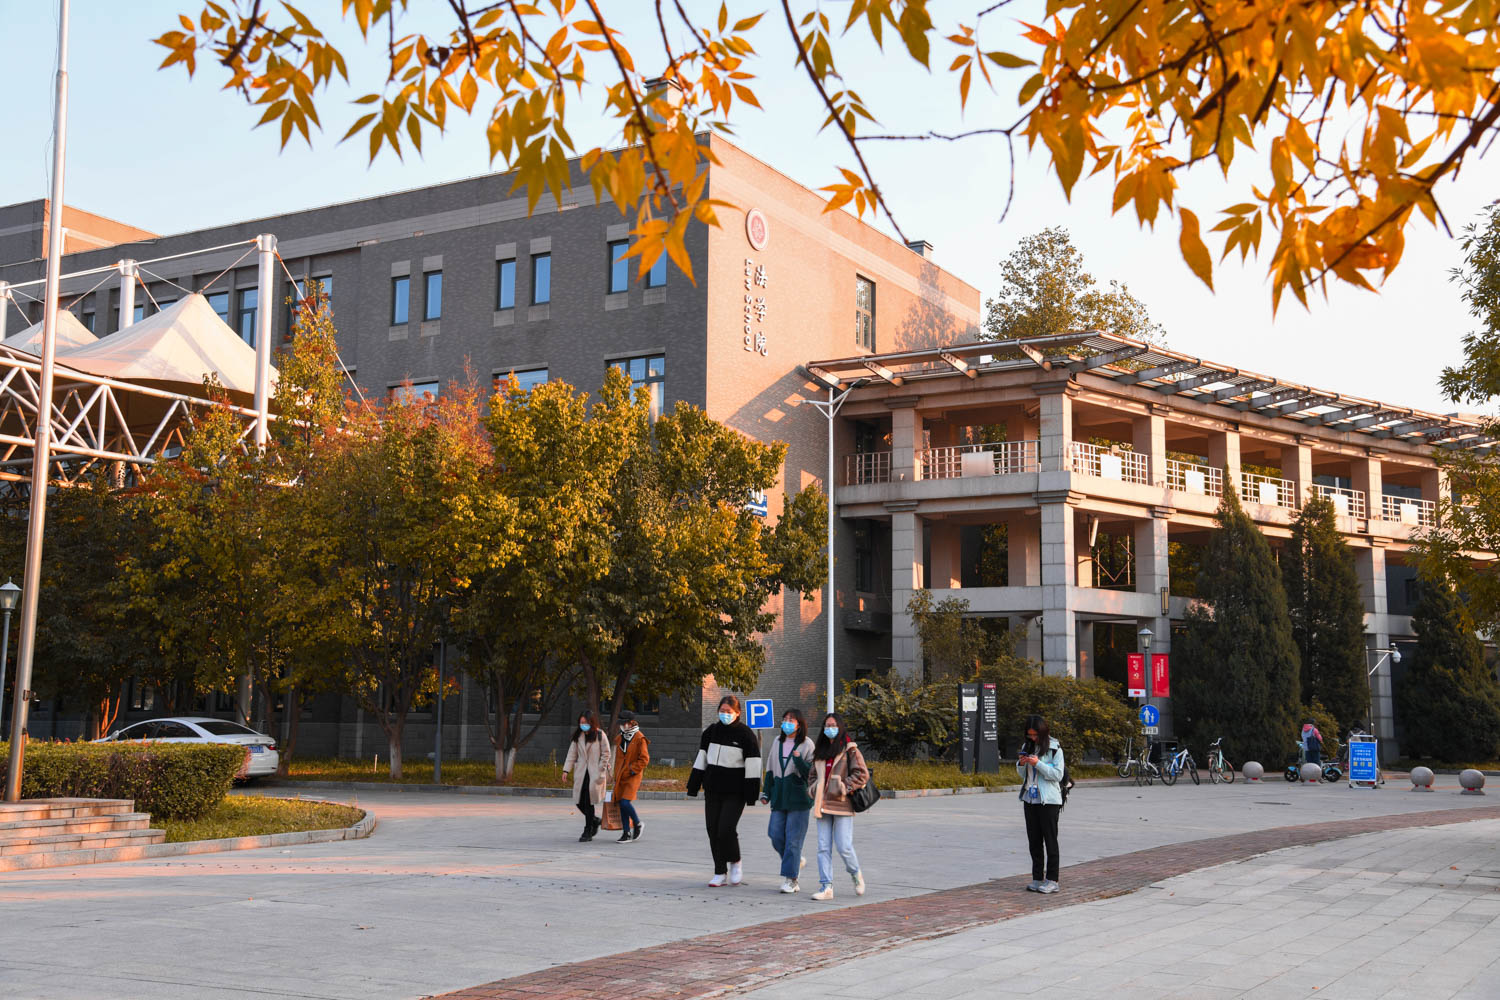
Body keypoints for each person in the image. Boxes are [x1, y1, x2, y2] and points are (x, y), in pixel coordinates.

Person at [686, 695, 763, 886]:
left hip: (735, 792)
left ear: (737, 713)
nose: (725, 715)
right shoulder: (711, 732)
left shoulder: (746, 735)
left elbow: (753, 764)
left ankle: (735, 861)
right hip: (713, 789)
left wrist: (752, 793)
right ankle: (719, 871)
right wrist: (694, 785)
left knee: (726, 829)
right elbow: (702, 757)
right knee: (712, 829)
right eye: (722, 711)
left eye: (729, 712)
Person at [809, 712, 868, 901]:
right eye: (827, 725)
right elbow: (812, 776)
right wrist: (813, 789)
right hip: (822, 805)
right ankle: (826, 886)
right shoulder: (819, 751)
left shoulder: (850, 749)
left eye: (833, 725)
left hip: (842, 804)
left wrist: (844, 786)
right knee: (823, 847)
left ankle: (855, 873)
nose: (830, 728)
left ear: (840, 727)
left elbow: (862, 774)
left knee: (844, 846)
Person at [761, 708, 815, 894]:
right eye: (785, 719)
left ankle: (791, 879)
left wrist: (799, 760)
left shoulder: (807, 744)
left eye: (791, 720)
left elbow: (812, 773)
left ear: (799, 724)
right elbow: (770, 768)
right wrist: (766, 792)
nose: (787, 723)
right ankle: (795, 860)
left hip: (799, 799)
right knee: (775, 834)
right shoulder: (777, 742)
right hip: (780, 796)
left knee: (793, 840)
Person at [1017, 714, 1064, 894]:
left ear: (1043, 732)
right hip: (1030, 798)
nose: (1032, 738)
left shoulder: (1054, 748)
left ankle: (1052, 880)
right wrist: (1021, 764)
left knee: (1050, 840)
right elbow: (1023, 775)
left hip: (1049, 801)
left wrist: (1038, 764)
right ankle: (1037, 878)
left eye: (1035, 735)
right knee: (1034, 841)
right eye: (1029, 735)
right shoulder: (1026, 746)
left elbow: (1057, 775)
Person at [561, 711, 612, 843]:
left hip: (595, 773)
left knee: (589, 802)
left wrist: (601, 767)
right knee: (579, 802)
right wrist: (566, 770)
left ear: (591, 722)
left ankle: (587, 829)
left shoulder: (600, 735)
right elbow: (572, 754)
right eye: (581, 722)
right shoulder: (578, 736)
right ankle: (595, 820)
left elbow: (606, 753)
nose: (582, 725)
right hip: (581, 773)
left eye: (585, 722)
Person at [612, 710, 650, 843]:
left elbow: (644, 759)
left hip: (632, 775)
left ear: (631, 723)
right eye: (621, 723)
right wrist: (616, 774)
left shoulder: (639, 738)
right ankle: (626, 832)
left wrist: (631, 770)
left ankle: (637, 823)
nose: (622, 726)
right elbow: (617, 759)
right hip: (621, 776)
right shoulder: (620, 738)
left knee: (625, 802)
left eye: (624, 723)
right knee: (621, 804)